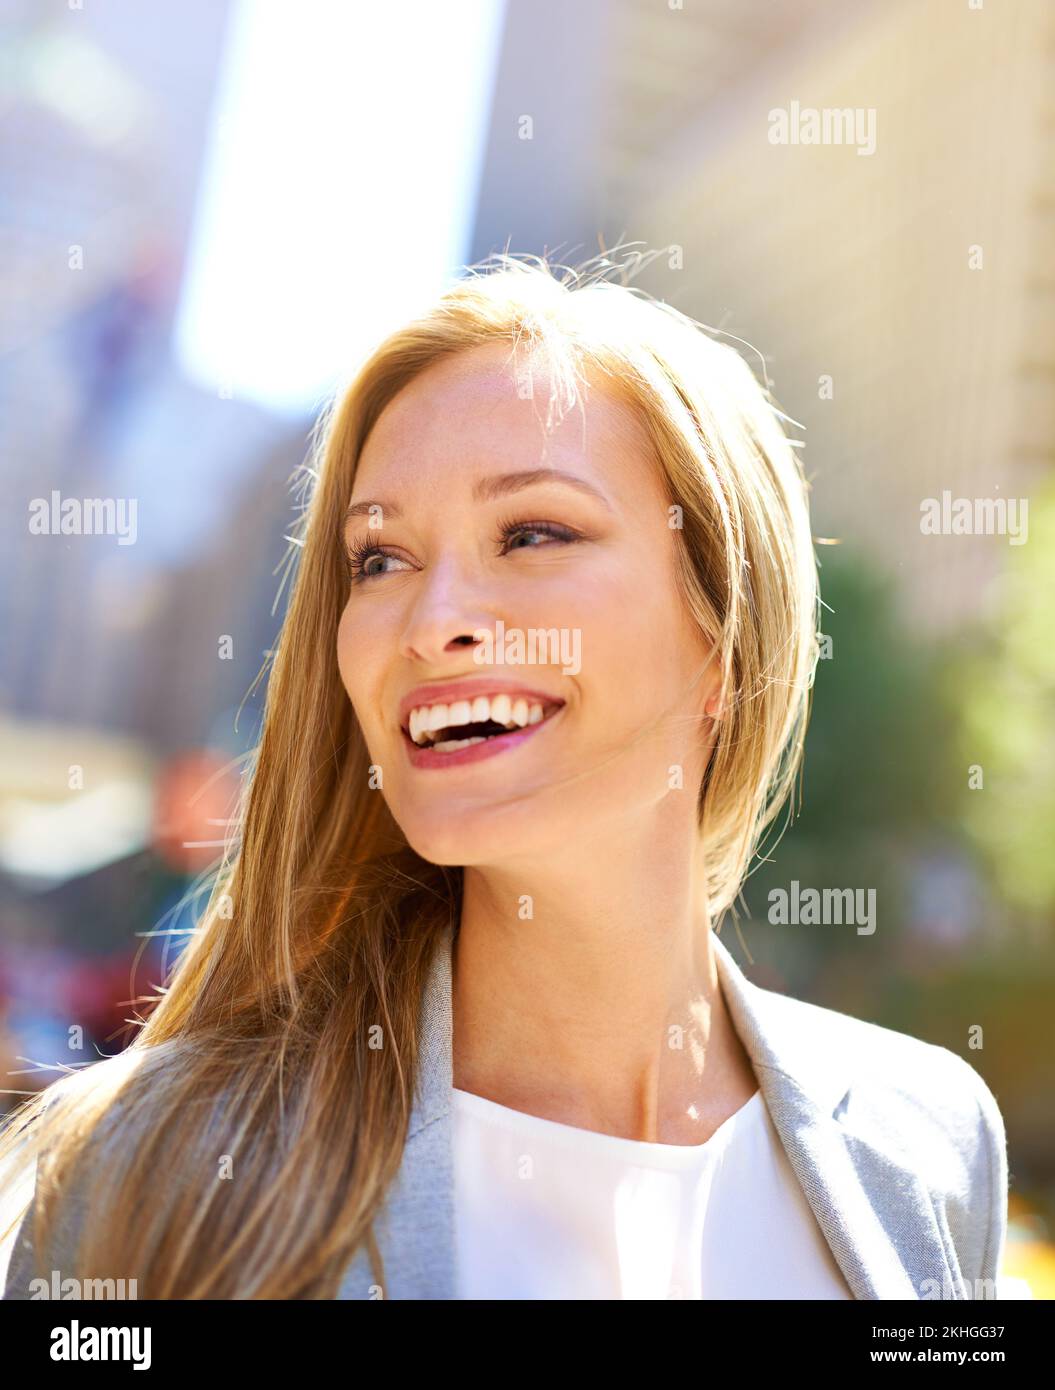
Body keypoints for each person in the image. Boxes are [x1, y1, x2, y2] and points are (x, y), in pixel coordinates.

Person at [0, 251, 1008, 1300]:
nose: (432, 625)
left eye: (531, 532)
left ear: (723, 637)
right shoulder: (134, 1173)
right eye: (379, 559)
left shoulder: (931, 1143)